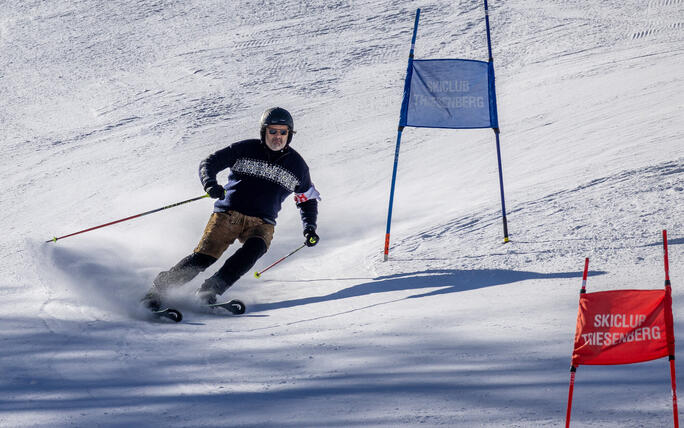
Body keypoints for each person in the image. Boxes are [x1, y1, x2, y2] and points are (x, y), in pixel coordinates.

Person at [142, 107, 320, 310]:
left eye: (283, 132)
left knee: (254, 250)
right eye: (272, 131)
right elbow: (209, 162)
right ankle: (157, 292)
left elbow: (307, 198)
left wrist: (310, 227)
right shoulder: (246, 149)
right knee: (205, 256)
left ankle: (209, 291)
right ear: (264, 132)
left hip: (263, 222)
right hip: (229, 215)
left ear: (289, 134)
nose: (277, 137)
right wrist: (210, 183)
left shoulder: (297, 166)